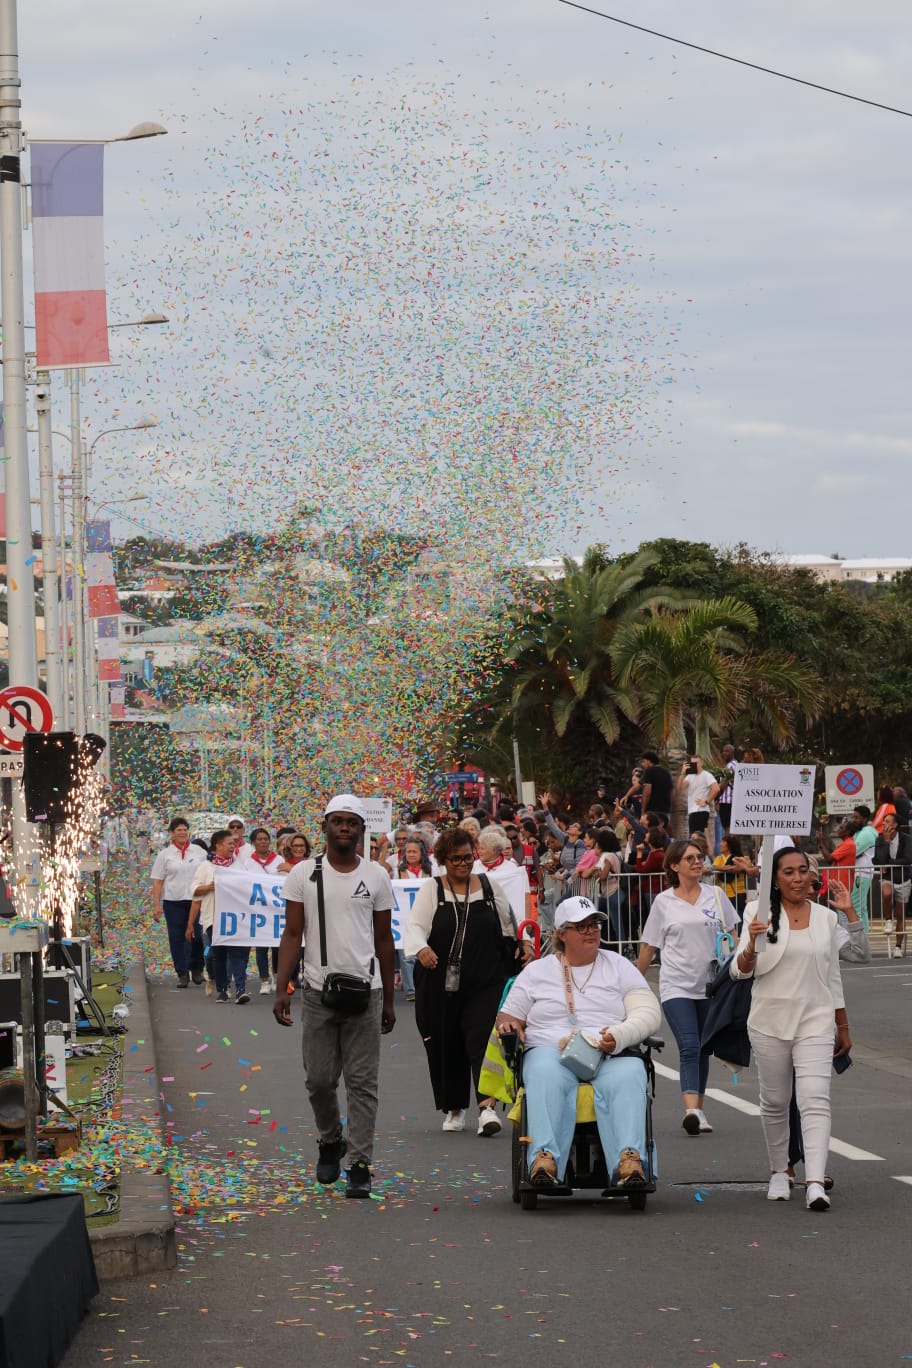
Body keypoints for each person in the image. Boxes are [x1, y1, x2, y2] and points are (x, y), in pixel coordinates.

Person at [274, 795, 396, 1199]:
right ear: (324, 826)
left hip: (367, 992)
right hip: (317, 992)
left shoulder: (377, 876)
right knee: (320, 1080)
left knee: (362, 1084)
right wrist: (282, 988)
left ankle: (360, 1164)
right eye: (337, 822)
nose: (345, 828)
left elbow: (383, 938)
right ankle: (330, 1140)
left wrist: (391, 1000)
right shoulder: (303, 874)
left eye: (352, 823)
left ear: (363, 830)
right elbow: (293, 934)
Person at [495, 896, 662, 1187]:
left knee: (631, 1073)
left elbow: (648, 1012)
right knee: (543, 1072)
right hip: (551, 1048)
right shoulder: (536, 972)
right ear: (561, 934)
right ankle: (544, 1158)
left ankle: (629, 1160)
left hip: (607, 1048)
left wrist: (620, 1036)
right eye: (581, 926)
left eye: (594, 924)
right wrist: (509, 1024)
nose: (591, 931)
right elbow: (508, 1017)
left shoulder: (619, 966)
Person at [730, 846, 851, 1212]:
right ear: (775, 879)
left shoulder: (826, 919)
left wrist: (841, 1024)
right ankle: (780, 1170)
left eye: (803, 871)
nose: (798, 878)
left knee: (815, 1099)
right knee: (776, 1101)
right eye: (789, 872)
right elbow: (740, 971)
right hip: (769, 1022)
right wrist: (752, 941)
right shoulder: (758, 912)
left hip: (816, 1021)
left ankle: (815, 1182)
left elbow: (832, 975)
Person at [405, 826, 523, 1137]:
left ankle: (486, 1108)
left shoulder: (488, 886)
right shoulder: (432, 889)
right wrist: (423, 949)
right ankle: (454, 1108)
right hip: (440, 982)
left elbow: (507, 923)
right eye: (456, 859)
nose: (463, 864)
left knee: (482, 1041)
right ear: (444, 859)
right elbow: (415, 927)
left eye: (468, 857)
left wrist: (521, 945)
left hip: (485, 980)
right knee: (448, 1043)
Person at [636, 839, 738, 1135]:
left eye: (699, 857)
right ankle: (691, 1109)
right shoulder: (663, 902)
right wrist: (630, 982)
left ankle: (699, 1111)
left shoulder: (716, 895)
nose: (697, 862)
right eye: (690, 858)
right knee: (690, 1045)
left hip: (712, 985)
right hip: (676, 985)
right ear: (674, 866)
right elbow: (649, 947)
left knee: (704, 1048)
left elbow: (733, 936)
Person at [186, 828, 250, 1004]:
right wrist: (210, 887)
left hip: (235, 917)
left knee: (236, 953)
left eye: (234, 843)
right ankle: (222, 990)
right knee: (218, 955)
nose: (233, 846)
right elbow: (194, 890)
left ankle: (241, 990)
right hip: (213, 918)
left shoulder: (238, 865)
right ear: (218, 845)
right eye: (229, 843)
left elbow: (248, 887)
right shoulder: (206, 867)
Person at [150, 816, 207, 987]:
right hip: (173, 901)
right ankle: (182, 972)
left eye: (184, 829)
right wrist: (156, 905)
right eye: (178, 830)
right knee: (176, 937)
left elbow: (209, 873)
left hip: (196, 900)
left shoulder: (199, 852)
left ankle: (196, 967)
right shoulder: (165, 855)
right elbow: (158, 880)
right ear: (172, 833)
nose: (182, 832)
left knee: (197, 936)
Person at [247, 828, 285, 993]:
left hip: (276, 909)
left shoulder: (278, 860)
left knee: (277, 946)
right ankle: (264, 980)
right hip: (258, 909)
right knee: (261, 946)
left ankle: (276, 975)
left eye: (265, 839)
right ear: (253, 843)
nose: (263, 842)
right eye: (259, 839)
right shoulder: (248, 862)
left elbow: (285, 880)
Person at [397, 835, 432, 1000]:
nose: (411, 854)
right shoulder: (398, 871)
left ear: (421, 854)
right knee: (406, 955)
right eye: (408, 851)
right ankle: (411, 990)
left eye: (414, 851)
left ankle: (426, 987)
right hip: (404, 919)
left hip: (426, 917)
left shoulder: (431, 871)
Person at [874, 811, 912, 958]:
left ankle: (898, 947)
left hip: (903, 879)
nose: (884, 824)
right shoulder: (880, 839)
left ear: (895, 825)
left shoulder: (906, 839)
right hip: (888, 877)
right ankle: (888, 920)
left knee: (901, 914)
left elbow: (908, 859)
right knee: (886, 893)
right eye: (884, 821)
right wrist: (886, 841)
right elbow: (878, 860)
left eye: (887, 821)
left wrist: (889, 864)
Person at [678, 756, 716, 839]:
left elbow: (716, 788)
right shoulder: (690, 776)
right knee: (693, 836)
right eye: (693, 763)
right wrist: (683, 772)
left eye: (697, 763)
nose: (695, 765)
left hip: (700, 810)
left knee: (697, 836)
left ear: (702, 763)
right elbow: (680, 788)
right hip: (693, 810)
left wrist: (706, 801)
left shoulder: (706, 775)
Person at [712, 833, 749, 915]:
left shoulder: (740, 858)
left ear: (729, 845)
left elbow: (748, 867)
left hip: (738, 893)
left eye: (723, 842)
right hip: (723, 893)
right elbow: (714, 867)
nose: (720, 844)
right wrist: (724, 868)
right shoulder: (719, 858)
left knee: (738, 915)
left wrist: (729, 868)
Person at [639, 751, 673, 824]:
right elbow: (671, 792)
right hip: (665, 812)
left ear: (649, 761)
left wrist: (643, 810)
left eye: (644, 762)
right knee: (662, 833)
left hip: (652, 811)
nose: (643, 764)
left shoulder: (649, 771)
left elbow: (647, 791)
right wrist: (668, 807)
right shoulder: (666, 773)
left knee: (652, 833)